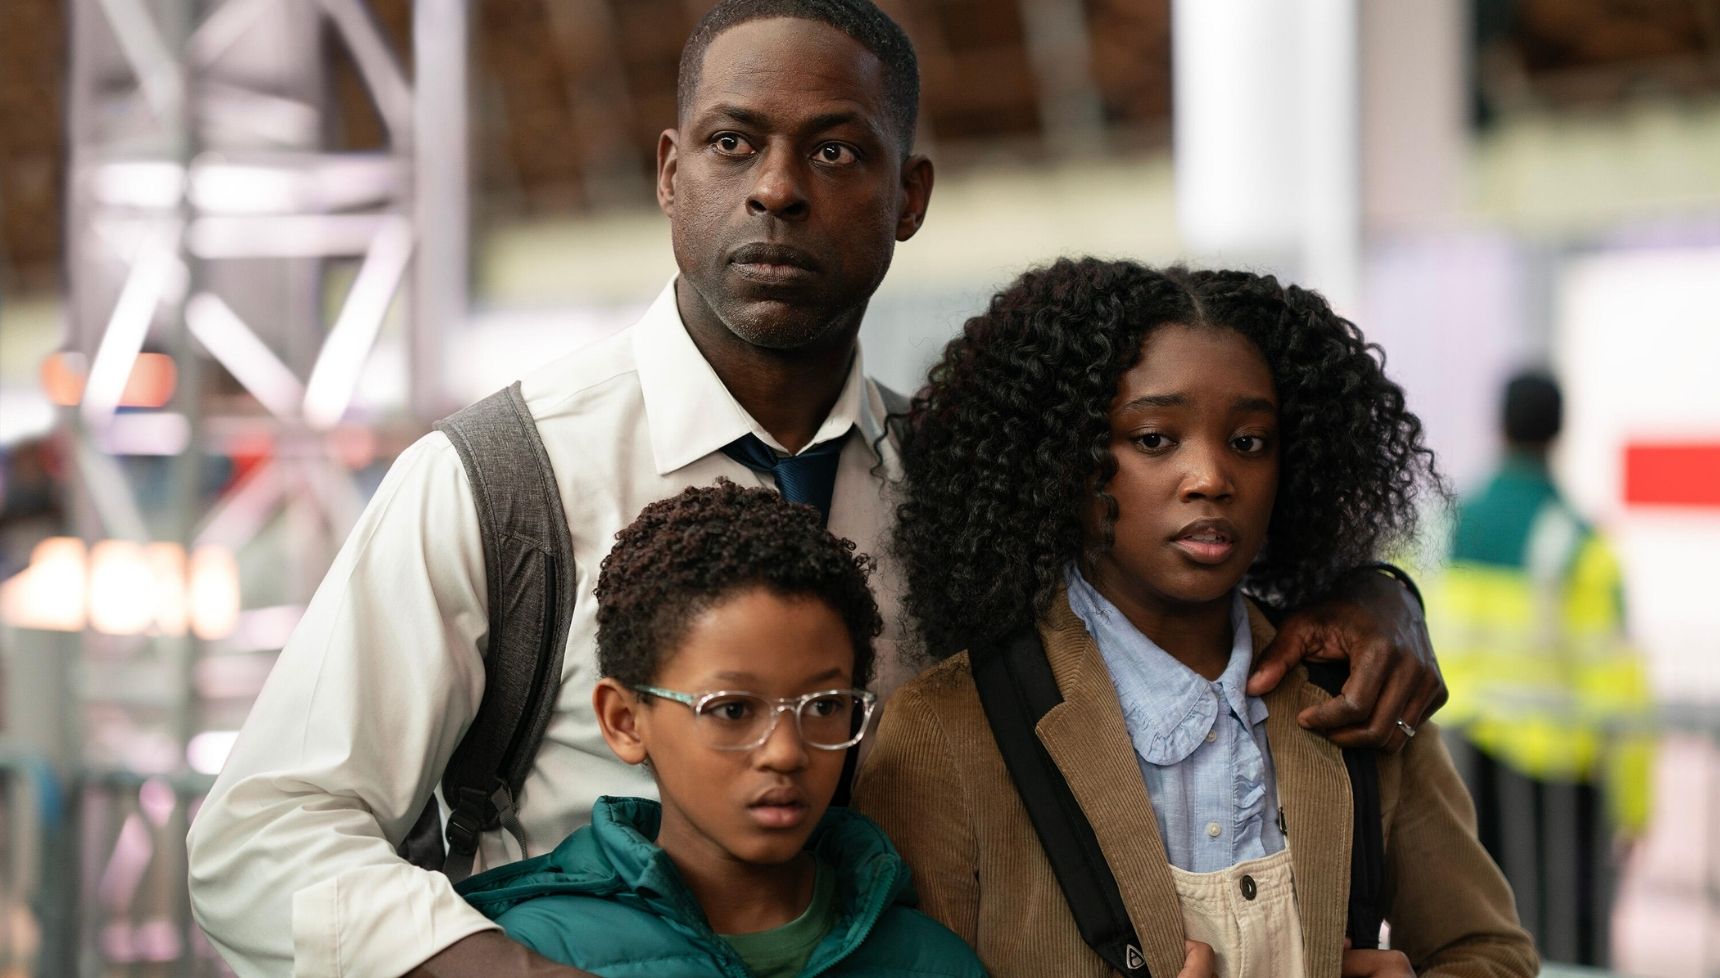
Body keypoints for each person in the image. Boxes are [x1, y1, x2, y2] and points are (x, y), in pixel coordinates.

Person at [186, 3, 1447, 975]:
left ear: (908, 197)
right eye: (736, 144)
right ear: (671, 173)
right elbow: (262, 835)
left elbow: (1167, 600)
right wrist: (502, 966)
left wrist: (1369, 594)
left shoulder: (962, 479)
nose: (780, 189)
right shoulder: (501, 482)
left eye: (835, 150)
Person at [854, 259, 1539, 978]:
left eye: (1249, 442)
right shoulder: (948, 729)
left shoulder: (1357, 694)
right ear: (1066, 462)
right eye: (1154, 439)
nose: (1212, 477)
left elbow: (1490, 953)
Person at [454, 481, 990, 977]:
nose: (785, 753)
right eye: (732, 710)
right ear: (625, 721)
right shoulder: (528, 951)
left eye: (825, 704)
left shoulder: (931, 961)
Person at [1429, 370, 1652, 966]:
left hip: (1458, 769)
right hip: (1559, 785)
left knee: (1469, 943)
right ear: (1560, 431)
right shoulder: (1578, 545)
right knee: (1563, 950)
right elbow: (1620, 689)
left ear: (1498, 425)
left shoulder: (1448, 527)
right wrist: (1633, 807)